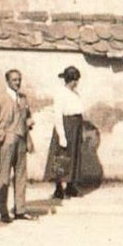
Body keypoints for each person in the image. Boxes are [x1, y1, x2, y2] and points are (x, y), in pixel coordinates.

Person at [0, 69, 34, 223]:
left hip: (21, 141)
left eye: (19, 79)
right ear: (7, 81)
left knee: (21, 176)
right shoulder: (0, 99)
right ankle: (3, 211)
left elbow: (27, 117)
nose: (17, 82)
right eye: (14, 80)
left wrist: (28, 123)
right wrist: (3, 135)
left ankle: (20, 210)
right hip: (7, 142)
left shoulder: (23, 98)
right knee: (4, 176)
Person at [49, 66, 86, 200]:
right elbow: (58, 115)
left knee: (74, 156)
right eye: (75, 80)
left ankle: (70, 185)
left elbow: (78, 111)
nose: (77, 83)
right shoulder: (61, 93)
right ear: (71, 80)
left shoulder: (75, 94)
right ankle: (58, 188)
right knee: (62, 157)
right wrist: (62, 136)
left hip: (75, 126)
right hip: (66, 126)